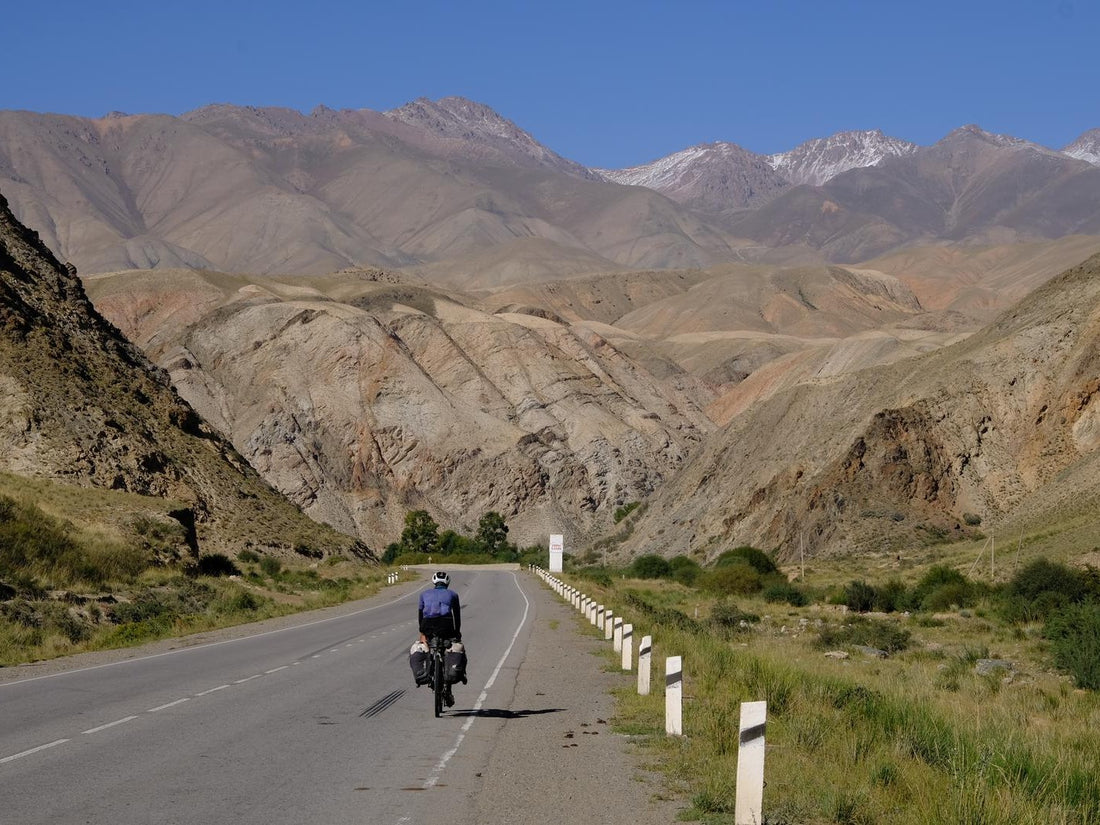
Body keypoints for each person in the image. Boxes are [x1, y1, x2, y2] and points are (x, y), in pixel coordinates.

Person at [418, 571, 462, 706]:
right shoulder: (453, 595)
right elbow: (457, 616)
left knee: (429, 647)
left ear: (434, 582)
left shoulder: (424, 594)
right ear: (447, 582)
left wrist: (422, 631)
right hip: (446, 625)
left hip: (428, 626)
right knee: (450, 650)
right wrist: (457, 632)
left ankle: (430, 672)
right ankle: (449, 687)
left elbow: (420, 615)